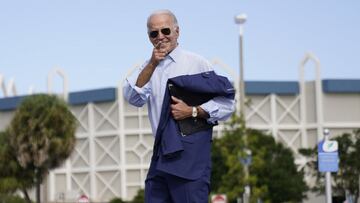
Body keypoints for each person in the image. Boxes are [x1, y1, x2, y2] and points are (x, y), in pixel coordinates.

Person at [123, 9, 235, 203]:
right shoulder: (148, 67)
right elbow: (133, 97)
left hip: (190, 157)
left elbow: (228, 104)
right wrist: (152, 64)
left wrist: (193, 111)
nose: (160, 37)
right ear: (149, 37)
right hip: (160, 155)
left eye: (165, 31)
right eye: (154, 33)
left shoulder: (197, 63)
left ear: (177, 31)